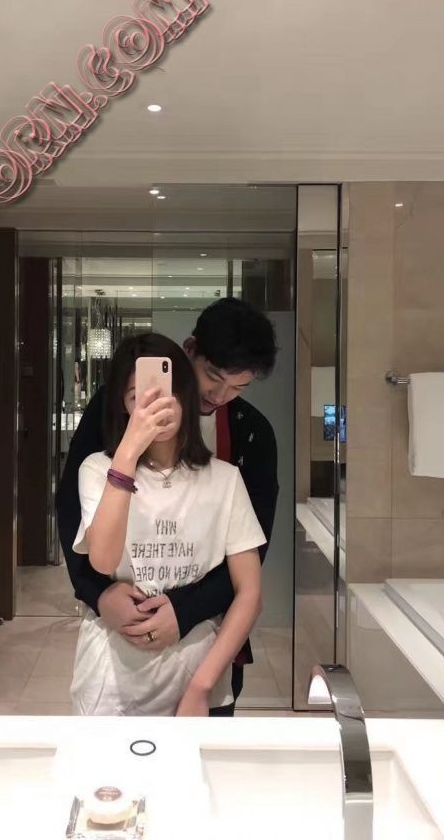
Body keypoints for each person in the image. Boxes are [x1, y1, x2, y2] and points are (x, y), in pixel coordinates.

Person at [57, 297, 279, 714]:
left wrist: (187, 610)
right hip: (117, 659)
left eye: (238, 387)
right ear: (190, 350)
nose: (219, 395)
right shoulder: (114, 415)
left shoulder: (249, 437)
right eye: (213, 377)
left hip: (203, 644)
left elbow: (252, 557)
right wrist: (98, 594)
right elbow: (74, 515)